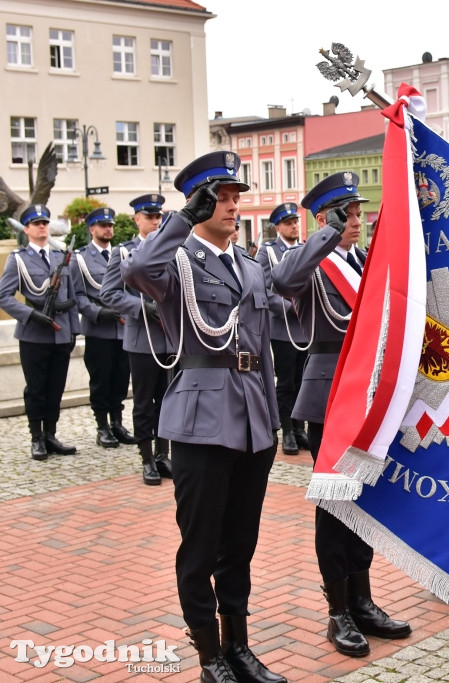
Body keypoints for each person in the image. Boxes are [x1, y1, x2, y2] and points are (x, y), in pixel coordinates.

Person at [122, 151, 285, 683]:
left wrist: (273, 421)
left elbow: (261, 349)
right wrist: (181, 220)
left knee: (240, 544)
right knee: (200, 546)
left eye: (238, 195)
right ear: (199, 200)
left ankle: (239, 645)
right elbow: (137, 271)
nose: (236, 204)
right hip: (199, 420)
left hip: (252, 421)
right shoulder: (176, 263)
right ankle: (209, 655)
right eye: (225, 195)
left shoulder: (251, 265)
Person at [273, 171, 411, 658]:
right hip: (331, 394)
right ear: (324, 218)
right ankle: (338, 611)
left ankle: (363, 599)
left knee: (362, 504)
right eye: (345, 214)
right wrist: (325, 234)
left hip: (368, 393)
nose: (355, 221)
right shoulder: (314, 262)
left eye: (356, 213)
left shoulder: (360, 263)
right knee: (335, 505)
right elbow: (284, 281)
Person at [100, 193, 174, 486]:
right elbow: (109, 293)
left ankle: (163, 454)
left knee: (167, 400)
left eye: (158, 217)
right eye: (150, 217)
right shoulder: (123, 252)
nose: (155, 222)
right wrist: (142, 308)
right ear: (137, 220)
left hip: (170, 339)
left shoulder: (172, 250)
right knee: (144, 402)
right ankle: (146, 458)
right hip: (143, 337)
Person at [0, 204, 80, 460]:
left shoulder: (61, 257)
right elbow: (4, 296)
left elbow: (71, 298)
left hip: (60, 334)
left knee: (56, 388)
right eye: (36, 223)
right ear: (27, 229)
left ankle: (51, 435)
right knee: (36, 389)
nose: (42, 226)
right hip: (33, 335)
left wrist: (73, 332)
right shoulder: (19, 259)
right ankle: (36, 437)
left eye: (45, 222)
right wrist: (30, 315)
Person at [72, 207, 135, 449]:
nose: (108, 229)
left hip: (123, 328)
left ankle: (117, 423)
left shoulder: (123, 254)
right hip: (99, 330)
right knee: (101, 380)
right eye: (102, 226)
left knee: (121, 379)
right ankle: (102, 427)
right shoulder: (81, 259)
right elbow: (78, 296)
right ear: (92, 229)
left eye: (110, 225)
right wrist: (99, 313)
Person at [256, 202, 309, 456]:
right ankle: (286, 429)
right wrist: (287, 307)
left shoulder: (304, 249)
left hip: (306, 327)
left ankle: (300, 429)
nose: (294, 226)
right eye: (288, 223)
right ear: (278, 227)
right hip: (283, 328)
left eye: (296, 222)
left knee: (302, 381)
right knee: (286, 382)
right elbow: (262, 289)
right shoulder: (268, 252)